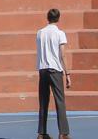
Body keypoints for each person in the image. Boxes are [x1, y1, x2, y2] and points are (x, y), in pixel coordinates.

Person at [36, 8, 71, 139]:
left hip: (43, 69)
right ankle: (63, 133)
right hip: (55, 70)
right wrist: (67, 74)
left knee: (43, 102)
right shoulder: (60, 33)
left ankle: (41, 133)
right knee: (60, 101)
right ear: (58, 18)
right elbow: (63, 54)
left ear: (47, 18)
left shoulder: (39, 33)